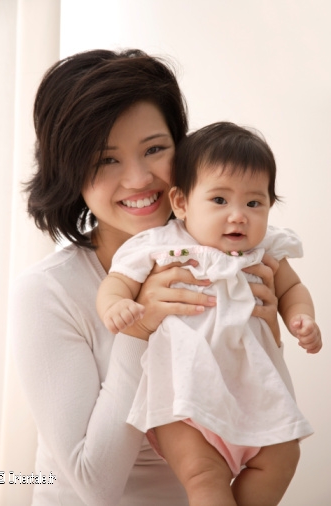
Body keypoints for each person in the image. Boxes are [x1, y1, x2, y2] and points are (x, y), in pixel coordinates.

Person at [11, 49, 282, 506]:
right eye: (105, 160)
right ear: (70, 172)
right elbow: (93, 484)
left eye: (155, 149)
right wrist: (137, 331)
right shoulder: (48, 291)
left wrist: (269, 327)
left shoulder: (226, 259)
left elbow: (250, 419)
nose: (139, 179)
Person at [97, 122, 322, 506]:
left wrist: (302, 318)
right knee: (204, 475)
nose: (238, 216)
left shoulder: (265, 250)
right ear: (182, 203)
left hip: (254, 392)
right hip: (184, 396)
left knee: (284, 455)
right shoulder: (162, 245)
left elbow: (292, 290)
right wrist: (117, 306)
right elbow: (117, 282)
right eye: (220, 201)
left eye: (254, 203)